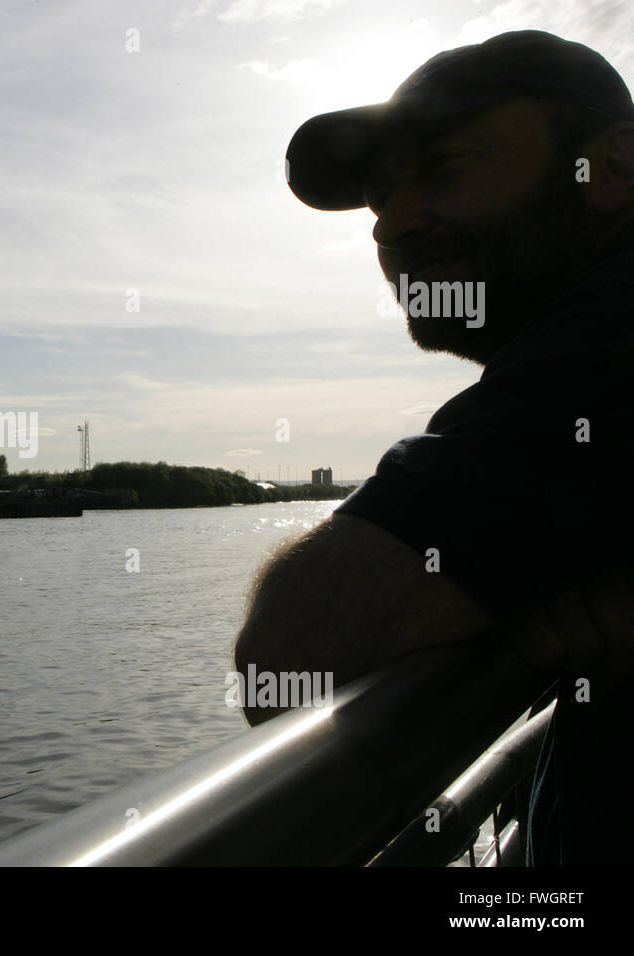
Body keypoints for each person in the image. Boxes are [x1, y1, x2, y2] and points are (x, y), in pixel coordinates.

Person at [234, 30, 634, 865]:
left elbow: (290, 655)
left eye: (444, 168)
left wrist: (517, 640)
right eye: (380, 192)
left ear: (615, 168)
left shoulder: (606, 345)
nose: (394, 224)